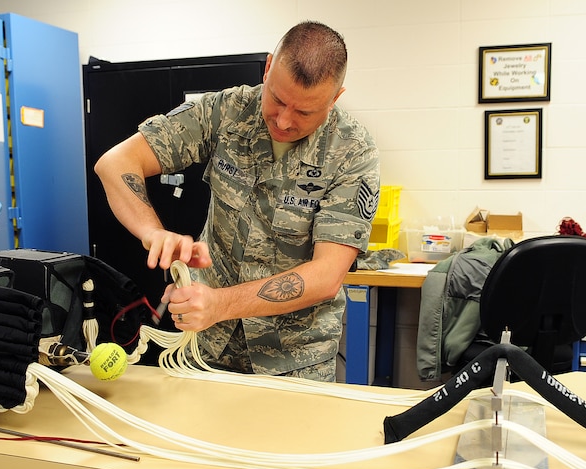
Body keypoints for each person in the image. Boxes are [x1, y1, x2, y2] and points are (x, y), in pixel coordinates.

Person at [94, 21, 380, 382]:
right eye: (277, 98)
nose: (284, 120)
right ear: (268, 67)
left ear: (334, 98)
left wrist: (220, 304)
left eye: (305, 112)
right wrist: (152, 232)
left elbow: (326, 276)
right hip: (205, 349)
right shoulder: (226, 111)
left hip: (294, 362)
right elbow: (115, 163)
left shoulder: (352, 151)